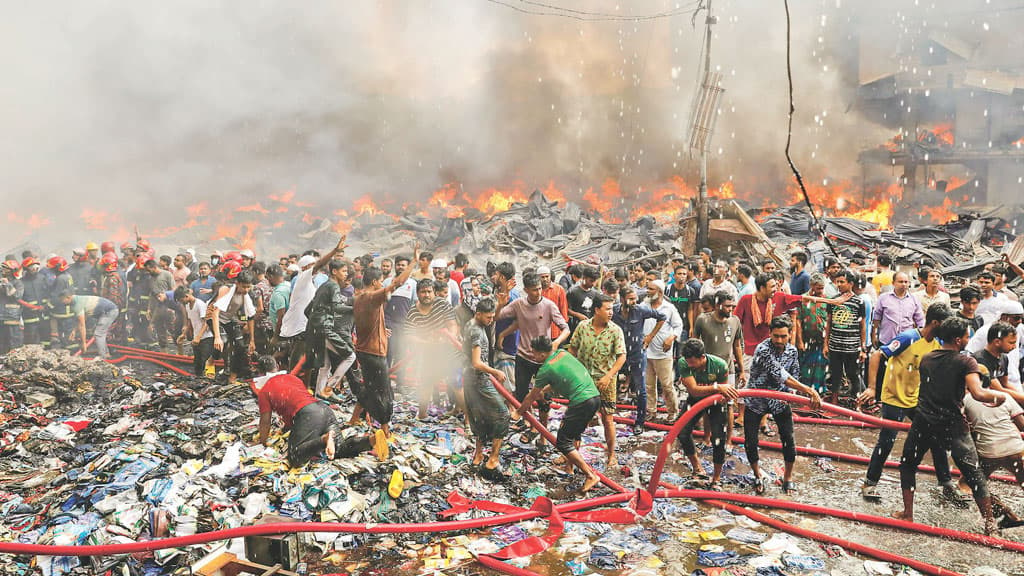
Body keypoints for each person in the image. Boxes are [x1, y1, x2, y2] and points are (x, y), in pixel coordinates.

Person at [893, 317, 1005, 535]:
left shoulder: (927, 358)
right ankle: (990, 524)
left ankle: (908, 513)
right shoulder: (966, 362)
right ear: (957, 339)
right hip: (952, 424)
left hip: (924, 421)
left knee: (908, 465)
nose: (968, 339)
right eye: (966, 336)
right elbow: (978, 393)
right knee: (974, 474)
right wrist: (998, 397)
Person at [857, 303, 963, 502]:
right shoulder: (908, 338)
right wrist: (872, 388)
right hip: (894, 397)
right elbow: (877, 355)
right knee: (887, 441)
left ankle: (946, 483)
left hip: (917, 399)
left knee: (936, 437)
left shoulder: (938, 344)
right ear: (935, 323)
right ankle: (869, 484)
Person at [253, 356, 384, 468]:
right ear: (277, 365)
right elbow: (296, 400)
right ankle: (370, 441)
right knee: (339, 450)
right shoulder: (292, 378)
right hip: (323, 409)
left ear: (260, 372)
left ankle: (324, 439)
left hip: (308, 415)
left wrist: (262, 442)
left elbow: (265, 421)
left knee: (294, 457)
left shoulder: (265, 390)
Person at [744, 315, 823, 495]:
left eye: (783, 336)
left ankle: (787, 478)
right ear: (770, 333)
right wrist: (809, 391)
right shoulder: (763, 349)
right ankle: (757, 474)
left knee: (788, 439)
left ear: (790, 335)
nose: (779, 340)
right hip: (756, 399)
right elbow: (781, 375)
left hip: (779, 400)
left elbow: (794, 374)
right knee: (751, 441)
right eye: (776, 336)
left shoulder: (792, 351)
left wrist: (793, 394)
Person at [513, 336, 602, 493]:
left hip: (580, 401)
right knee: (574, 435)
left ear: (541, 354)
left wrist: (518, 413)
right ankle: (569, 467)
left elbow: (531, 397)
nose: (532, 356)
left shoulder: (545, 369)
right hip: (594, 397)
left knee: (562, 442)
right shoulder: (562, 353)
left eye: (534, 353)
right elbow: (559, 380)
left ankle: (590, 475)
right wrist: (541, 391)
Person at [962, 325, 1024, 529]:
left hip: (989, 452)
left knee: (970, 483)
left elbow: (966, 428)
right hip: (1016, 449)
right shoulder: (979, 361)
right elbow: (1020, 422)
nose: (1014, 347)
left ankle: (994, 519)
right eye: (1012, 342)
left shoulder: (967, 400)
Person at [353, 245, 416, 438]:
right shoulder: (372, 297)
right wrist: (413, 262)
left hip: (363, 351)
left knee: (370, 387)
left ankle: (354, 418)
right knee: (384, 393)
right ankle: (385, 429)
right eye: (380, 281)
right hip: (374, 353)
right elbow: (397, 283)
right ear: (374, 282)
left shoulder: (358, 297)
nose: (382, 284)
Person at [496, 272, 569, 436]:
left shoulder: (549, 305)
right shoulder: (519, 305)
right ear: (526, 290)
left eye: (539, 289)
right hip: (523, 357)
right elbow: (497, 317)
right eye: (534, 290)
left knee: (544, 397)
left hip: (544, 360)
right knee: (521, 395)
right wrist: (500, 304)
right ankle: (529, 423)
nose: (538, 292)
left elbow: (566, 328)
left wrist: (556, 343)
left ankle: (542, 431)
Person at [569, 295, 625, 468]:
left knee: (608, 419)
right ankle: (571, 456)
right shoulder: (583, 327)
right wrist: (573, 370)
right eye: (607, 309)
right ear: (596, 310)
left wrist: (609, 376)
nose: (611, 312)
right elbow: (573, 348)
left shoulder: (615, 330)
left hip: (606, 382)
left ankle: (611, 454)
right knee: (577, 418)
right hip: (584, 381)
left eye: (612, 309)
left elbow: (621, 356)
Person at [676, 338, 738, 487]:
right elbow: (694, 390)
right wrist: (716, 387)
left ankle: (716, 478)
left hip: (716, 401)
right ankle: (697, 468)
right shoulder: (683, 362)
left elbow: (725, 394)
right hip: (695, 399)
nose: (690, 365)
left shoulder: (720, 365)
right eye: (688, 362)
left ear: (702, 357)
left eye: (693, 362)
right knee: (682, 431)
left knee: (718, 438)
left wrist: (719, 391)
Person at [279, 238, 347, 370]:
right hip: (300, 324)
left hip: (307, 323)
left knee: (307, 355)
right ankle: (292, 380)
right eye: (312, 266)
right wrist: (334, 251)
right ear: (305, 267)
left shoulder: (311, 281)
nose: (316, 269)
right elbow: (320, 265)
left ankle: (303, 383)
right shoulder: (303, 276)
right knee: (299, 353)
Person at [462, 298, 510, 480]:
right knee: (503, 414)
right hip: (479, 378)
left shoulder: (471, 323)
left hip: (469, 378)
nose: (491, 320)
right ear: (478, 314)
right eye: (488, 317)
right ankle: (493, 459)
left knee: (479, 417)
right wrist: (495, 371)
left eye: (492, 317)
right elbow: (476, 362)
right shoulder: (476, 331)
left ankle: (478, 455)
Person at [610, 285, 665, 432]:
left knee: (641, 389)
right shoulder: (614, 311)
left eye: (635, 298)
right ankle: (608, 417)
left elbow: (662, 317)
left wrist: (649, 337)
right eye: (630, 299)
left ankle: (639, 422)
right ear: (622, 299)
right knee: (610, 384)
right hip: (618, 355)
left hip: (637, 355)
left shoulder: (641, 310)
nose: (634, 302)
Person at [405, 278, 460, 419]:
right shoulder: (413, 312)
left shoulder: (442, 304)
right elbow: (408, 335)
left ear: (434, 293)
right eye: (423, 292)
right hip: (429, 354)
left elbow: (453, 325)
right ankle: (422, 415)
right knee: (426, 384)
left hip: (449, 351)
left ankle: (468, 422)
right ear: (417, 294)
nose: (427, 295)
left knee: (456, 384)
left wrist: (450, 337)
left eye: (429, 291)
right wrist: (425, 342)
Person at [305, 260, 359, 398]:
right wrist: (356, 309)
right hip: (324, 329)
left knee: (325, 365)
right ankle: (330, 387)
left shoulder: (323, 286)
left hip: (315, 328)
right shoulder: (333, 286)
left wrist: (315, 323)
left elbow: (307, 310)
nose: (346, 274)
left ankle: (319, 394)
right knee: (350, 356)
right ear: (334, 271)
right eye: (344, 271)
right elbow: (336, 307)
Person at [825, 270, 867, 403]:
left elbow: (862, 326)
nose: (839, 284)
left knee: (853, 374)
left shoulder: (859, 302)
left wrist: (862, 347)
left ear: (850, 283)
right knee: (836, 373)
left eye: (842, 282)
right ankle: (834, 402)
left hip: (852, 346)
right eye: (837, 282)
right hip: (835, 345)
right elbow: (829, 323)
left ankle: (857, 401)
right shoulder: (833, 301)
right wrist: (825, 343)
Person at [644, 280, 683, 421]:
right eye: (647, 288)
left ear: (660, 292)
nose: (648, 291)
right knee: (648, 385)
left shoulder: (669, 308)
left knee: (666, 385)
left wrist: (671, 337)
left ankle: (673, 412)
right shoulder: (644, 306)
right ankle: (651, 411)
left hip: (663, 352)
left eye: (651, 289)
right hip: (646, 352)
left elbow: (678, 326)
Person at [210, 265, 256, 384]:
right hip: (215, 317)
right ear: (238, 283)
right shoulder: (226, 289)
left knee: (240, 347)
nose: (246, 289)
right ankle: (211, 360)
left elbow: (251, 316)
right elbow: (215, 312)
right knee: (223, 342)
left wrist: (252, 340)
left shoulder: (248, 294)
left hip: (230, 319)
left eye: (248, 287)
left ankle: (232, 377)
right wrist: (217, 337)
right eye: (244, 286)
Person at [59, 290, 118, 360]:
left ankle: (103, 357)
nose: (61, 302)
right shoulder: (76, 300)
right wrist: (74, 330)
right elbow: (82, 319)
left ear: (68, 297)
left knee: (98, 334)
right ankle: (106, 353)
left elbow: (82, 325)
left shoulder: (77, 304)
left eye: (62, 300)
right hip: (108, 310)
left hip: (109, 311)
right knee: (100, 333)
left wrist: (84, 344)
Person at [871, 272, 923, 349]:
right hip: (887, 341)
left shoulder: (914, 299)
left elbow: (920, 320)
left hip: (907, 342)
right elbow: (876, 318)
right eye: (900, 282)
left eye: (906, 282)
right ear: (893, 283)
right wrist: (874, 335)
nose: (904, 284)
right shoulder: (883, 298)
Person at [795, 273, 828, 394]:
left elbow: (829, 322)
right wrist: (799, 341)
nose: (820, 291)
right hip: (807, 341)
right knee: (806, 368)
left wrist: (826, 344)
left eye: (822, 288)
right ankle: (806, 394)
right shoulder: (803, 299)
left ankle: (819, 394)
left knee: (821, 369)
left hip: (822, 342)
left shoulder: (826, 299)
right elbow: (797, 321)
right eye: (818, 288)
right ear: (811, 286)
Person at [174, 286, 213, 376]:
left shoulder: (199, 304)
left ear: (186, 296)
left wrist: (199, 337)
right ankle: (199, 381)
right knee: (197, 362)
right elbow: (190, 321)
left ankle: (209, 381)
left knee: (205, 361)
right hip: (197, 338)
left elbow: (206, 322)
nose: (181, 302)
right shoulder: (188, 305)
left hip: (206, 337)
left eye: (181, 300)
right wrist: (183, 334)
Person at [145, 258, 176, 350]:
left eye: (148, 270)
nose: (147, 272)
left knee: (172, 328)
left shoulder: (167, 275)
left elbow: (174, 290)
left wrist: (171, 306)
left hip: (167, 306)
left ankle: (179, 347)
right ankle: (164, 350)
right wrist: (149, 308)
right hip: (157, 307)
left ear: (154, 267)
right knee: (159, 328)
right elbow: (151, 294)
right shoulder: (150, 278)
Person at [19, 257, 49, 347]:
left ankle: (47, 353)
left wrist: (47, 306)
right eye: (31, 267)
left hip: (44, 315)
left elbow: (49, 293)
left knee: (46, 339)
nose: (34, 269)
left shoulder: (43, 278)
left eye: (35, 266)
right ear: (25, 269)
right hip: (29, 317)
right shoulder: (21, 282)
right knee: (31, 341)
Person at [98, 253, 126, 345]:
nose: (100, 268)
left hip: (112, 307)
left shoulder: (112, 278)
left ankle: (110, 347)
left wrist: (108, 309)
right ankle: (115, 346)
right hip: (115, 307)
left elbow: (113, 296)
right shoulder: (113, 276)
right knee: (116, 328)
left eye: (102, 266)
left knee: (109, 327)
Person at [666, 265, 700, 338]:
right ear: (674, 276)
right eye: (679, 274)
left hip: (683, 327)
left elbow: (690, 309)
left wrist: (691, 327)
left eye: (684, 274)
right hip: (668, 326)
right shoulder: (667, 290)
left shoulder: (690, 291)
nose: (682, 276)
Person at [537, 266, 569, 342]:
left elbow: (563, 309)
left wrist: (563, 328)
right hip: (540, 330)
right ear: (538, 278)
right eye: (542, 277)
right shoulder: (536, 290)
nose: (545, 279)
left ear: (550, 276)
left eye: (547, 276)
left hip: (556, 330)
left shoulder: (559, 289)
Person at [566, 265, 600, 333]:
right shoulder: (573, 291)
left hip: (591, 328)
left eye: (595, 281)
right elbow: (566, 309)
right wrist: (578, 315)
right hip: (576, 327)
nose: (593, 284)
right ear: (584, 278)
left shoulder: (596, 293)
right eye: (591, 281)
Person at [0, 260, 24, 354]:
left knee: (13, 342)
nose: (2, 270)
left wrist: (8, 284)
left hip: (12, 318)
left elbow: (17, 296)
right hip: (1, 318)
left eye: (5, 268)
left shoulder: (18, 283)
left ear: (11, 270)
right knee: (2, 343)